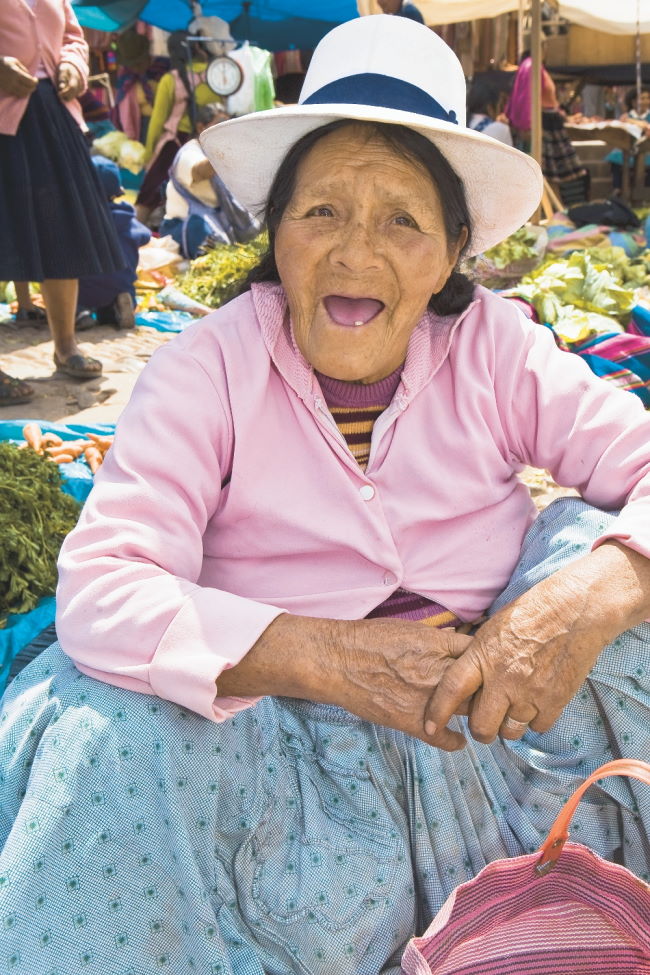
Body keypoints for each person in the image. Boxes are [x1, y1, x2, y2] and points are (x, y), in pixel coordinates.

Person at [1, 16, 650, 973]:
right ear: (277, 233)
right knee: (103, 716)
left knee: (606, 557)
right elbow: (102, 585)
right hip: (288, 766)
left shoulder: (495, 346)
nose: (356, 252)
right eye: (322, 213)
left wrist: (584, 599)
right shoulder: (206, 367)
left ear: (451, 251)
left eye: (402, 219)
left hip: (494, 722)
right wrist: (323, 656)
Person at [0, 0, 126, 395]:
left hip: (52, 114)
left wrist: (72, 65)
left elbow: (72, 38)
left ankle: (65, 347)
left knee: (62, 229)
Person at [135, 26, 228, 225]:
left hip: (176, 144)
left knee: (148, 194)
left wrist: (149, 154)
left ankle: (136, 239)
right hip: (208, 142)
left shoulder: (170, 80)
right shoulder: (216, 75)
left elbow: (157, 121)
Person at [159, 104, 260, 259]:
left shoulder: (218, 149)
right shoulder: (189, 152)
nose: (224, 130)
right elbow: (200, 171)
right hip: (187, 226)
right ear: (201, 127)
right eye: (219, 123)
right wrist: (229, 152)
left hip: (217, 220)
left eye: (226, 123)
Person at [506, 43, 590, 205]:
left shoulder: (532, 65)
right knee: (547, 175)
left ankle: (554, 210)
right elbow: (527, 98)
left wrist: (564, 116)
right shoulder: (532, 65)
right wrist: (529, 125)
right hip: (544, 124)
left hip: (549, 122)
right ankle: (548, 211)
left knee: (552, 176)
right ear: (541, 48)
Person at [75, 156, 151, 330]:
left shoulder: (79, 220)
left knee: (68, 287)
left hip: (84, 290)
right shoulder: (127, 217)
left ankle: (80, 313)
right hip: (120, 284)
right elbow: (145, 236)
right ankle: (116, 307)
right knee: (115, 284)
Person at [606, 87, 650, 193]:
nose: (645, 101)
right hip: (628, 148)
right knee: (615, 159)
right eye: (642, 98)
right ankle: (618, 188)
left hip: (647, 150)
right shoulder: (626, 116)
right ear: (633, 101)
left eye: (647, 98)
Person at [467, 77, 513, 146]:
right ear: (489, 107)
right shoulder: (501, 129)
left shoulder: (460, 123)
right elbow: (510, 156)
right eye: (499, 105)